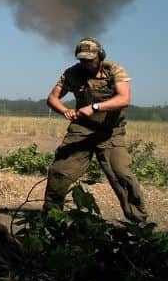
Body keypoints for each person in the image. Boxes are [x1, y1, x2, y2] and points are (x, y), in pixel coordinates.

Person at [42, 37, 147, 222]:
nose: (86, 63)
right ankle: (51, 220)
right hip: (81, 130)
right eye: (82, 59)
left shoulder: (113, 70)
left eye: (89, 60)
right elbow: (52, 98)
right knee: (59, 172)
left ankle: (139, 223)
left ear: (100, 56)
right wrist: (65, 110)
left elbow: (124, 99)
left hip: (110, 131)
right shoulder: (72, 74)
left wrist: (95, 107)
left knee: (122, 175)